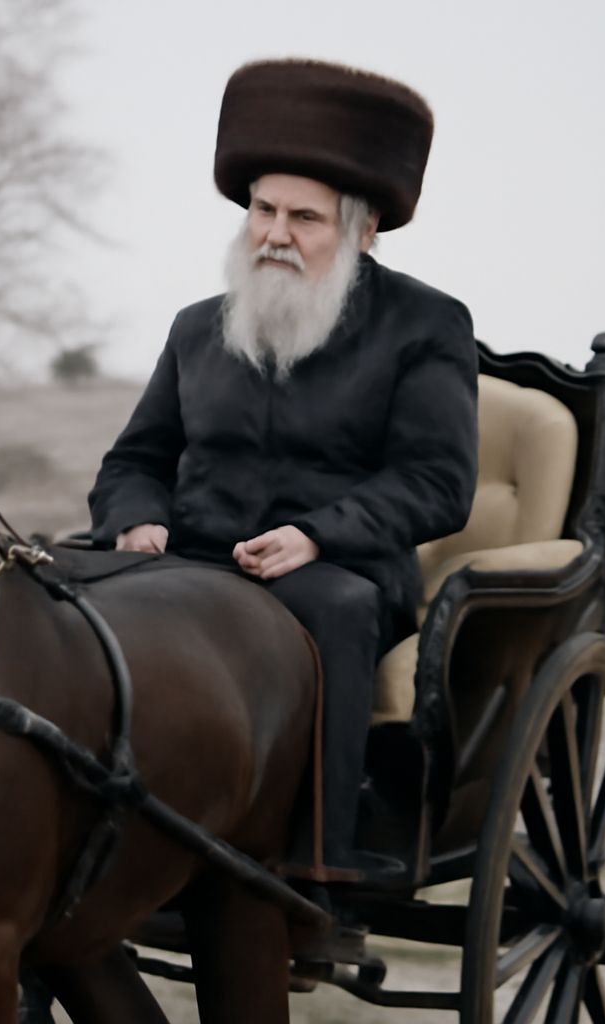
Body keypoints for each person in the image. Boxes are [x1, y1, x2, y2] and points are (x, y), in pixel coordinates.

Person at [88, 58, 479, 880]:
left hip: (338, 573)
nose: (274, 233)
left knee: (332, 612)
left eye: (305, 218)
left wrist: (315, 535)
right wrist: (135, 517)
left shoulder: (426, 326)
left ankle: (313, 878)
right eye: (264, 210)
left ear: (363, 229)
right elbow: (137, 458)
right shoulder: (199, 328)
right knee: (57, 575)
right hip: (189, 555)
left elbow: (438, 482)